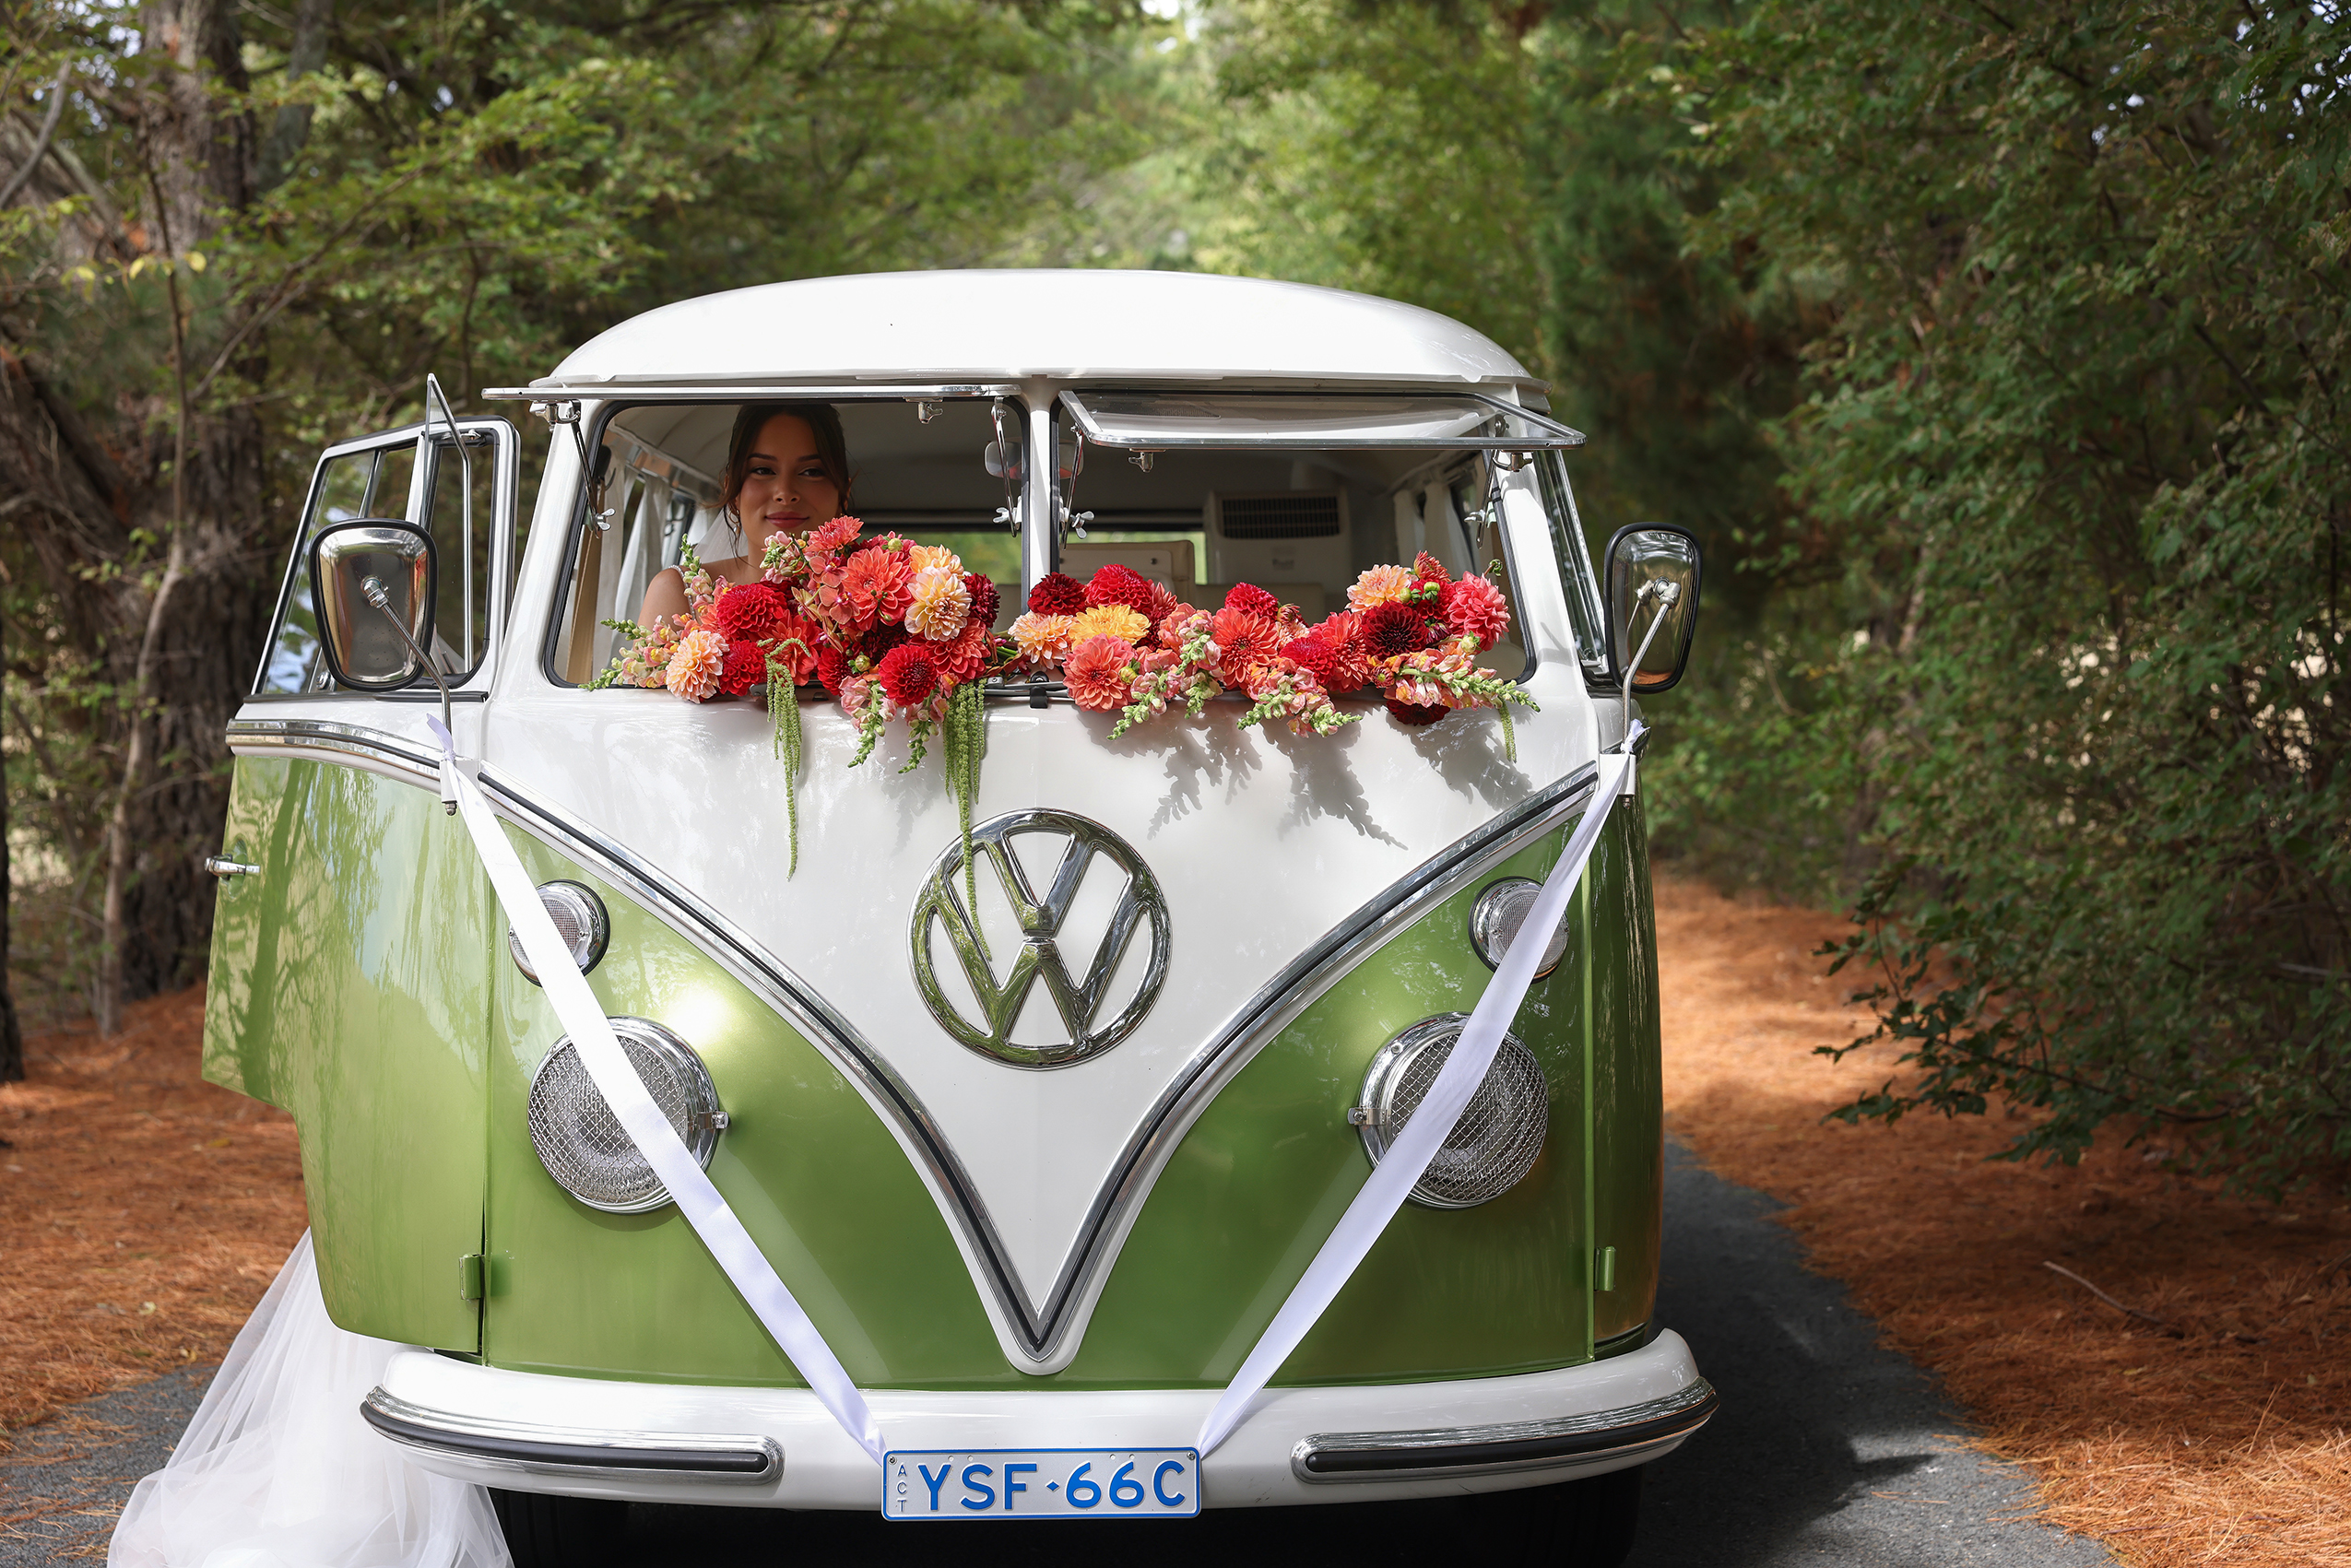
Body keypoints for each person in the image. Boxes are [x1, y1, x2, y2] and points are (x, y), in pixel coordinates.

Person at [638, 402, 850, 624]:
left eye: (811, 472)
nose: (785, 493)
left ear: (843, 493)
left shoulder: (867, 598)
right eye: (763, 470)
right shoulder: (678, 592)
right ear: (733, 491)